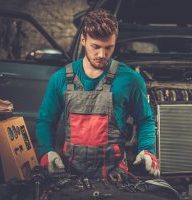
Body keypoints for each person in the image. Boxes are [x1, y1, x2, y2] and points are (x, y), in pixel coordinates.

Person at [35, 9, 160, 179]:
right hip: (70, 174)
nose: (102, 55)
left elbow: (145, 120)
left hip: (115, 174)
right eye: (96, 47)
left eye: (109, 47)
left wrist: (147, 150)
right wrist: (46, 151)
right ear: (83, 40)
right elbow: (45, 121)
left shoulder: (130, 79)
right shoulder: (60, 78)